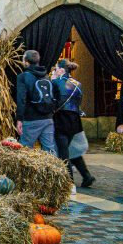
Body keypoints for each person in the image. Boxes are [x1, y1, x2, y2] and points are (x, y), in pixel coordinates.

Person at [52, 59, 95, 191]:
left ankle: (69, 182)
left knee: (64, 151)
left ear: (61, 70)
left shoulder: (56, 82)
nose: (55, 71)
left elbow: (54, 101)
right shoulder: (79, 84)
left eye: (56, 68)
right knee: (72, 149)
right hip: (75, 120)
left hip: (61, 119)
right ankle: (86, 176)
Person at [15, 50, 57, 154]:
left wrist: (19, 119)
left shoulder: (23, 77)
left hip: (31, 120)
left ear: (26, 62)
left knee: (25, 150)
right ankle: (55, 170)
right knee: (50, 151)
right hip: (48, 118)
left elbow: (21, 99)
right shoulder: (46, 75)